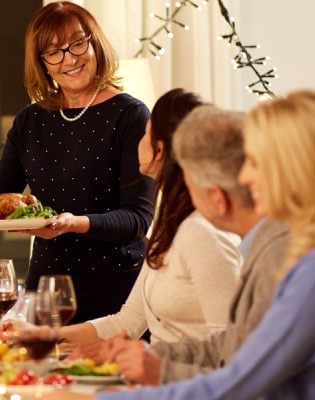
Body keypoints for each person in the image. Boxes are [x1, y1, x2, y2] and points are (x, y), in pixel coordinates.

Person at [45, 90, 315, 400]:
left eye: (254, 162)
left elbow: (243, 383)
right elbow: (236, 349)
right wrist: (149, 359)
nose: (244, 177)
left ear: (293, 170)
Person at [0, 1, 154, 323]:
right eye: (53, 52)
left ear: (94, 43)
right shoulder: (29, 121)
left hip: (118, 292)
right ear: (41, 62)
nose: (69, 59)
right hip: (46, 291)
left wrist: (75, 223)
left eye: (77, 44)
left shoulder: (130, 115)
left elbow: (137, 219)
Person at [92, 106, 290, 384]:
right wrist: (149, 355)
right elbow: (230, 345)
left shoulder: (277, 253)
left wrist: (159, 372)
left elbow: (256, 380)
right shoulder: (264, 245)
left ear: (217, 197)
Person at [58, 90, 241, 346]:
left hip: (184, 382)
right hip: (156, 379)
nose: (138, 141)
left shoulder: (202, 234)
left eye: (145, 132)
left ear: (159, 150)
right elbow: (128, 321)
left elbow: (231, 346)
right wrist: (47, 336)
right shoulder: (170, 228)